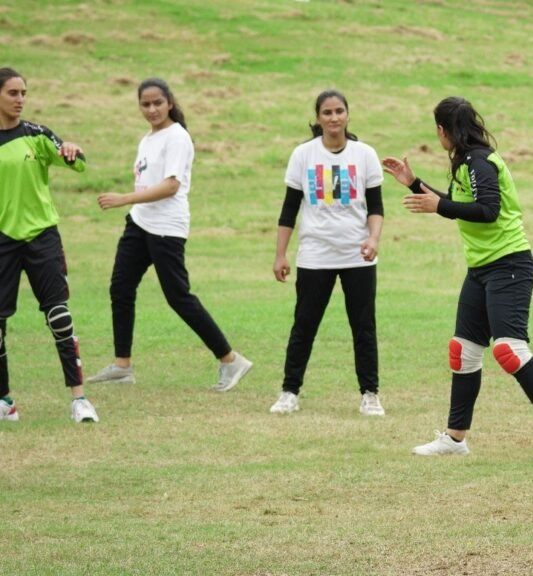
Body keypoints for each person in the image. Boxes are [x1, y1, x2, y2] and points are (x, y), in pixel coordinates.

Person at [382, 96, 533, 463]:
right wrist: (414, 183)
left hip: (509, 265)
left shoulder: (479, 161)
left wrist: (439, 206)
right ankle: (455, 438)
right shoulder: (467, 161)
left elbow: (488, 211)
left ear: (442, 130)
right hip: (481, 269)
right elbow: (460, 205)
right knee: (463, 351)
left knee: (509, 350)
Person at [87, 78, 252, 392]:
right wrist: (133, 207)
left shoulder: (177, 137)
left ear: (170, 103)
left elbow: (171, 186)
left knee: (178, 297)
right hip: (139, 223)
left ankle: (231, 360)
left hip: (166, 228)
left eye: (157, 103)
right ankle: (122, 365)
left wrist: (124, 198)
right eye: (145, 104)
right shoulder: (148, 138)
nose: (152, 109)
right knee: (120, 288)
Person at [269, 90, 385, 416]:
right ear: (318, 118)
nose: (334, 118)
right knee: (304, 325)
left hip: (357, 255)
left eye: (339, 111)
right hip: (315, 254)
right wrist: (280, 254)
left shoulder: (365, 155)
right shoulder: (303, 155)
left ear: (348, 115)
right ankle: (289, 392)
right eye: (327, 112)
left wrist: (373, 239)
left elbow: (376, 208)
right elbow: (289, 210)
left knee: (363, 327)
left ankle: (370, 394)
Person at [0, 67, 98, 423]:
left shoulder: (36, 134)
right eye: (13, 93)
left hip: (42, 238)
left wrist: (72, 149)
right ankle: (5, 402)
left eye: (24, 93)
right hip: (3, 242)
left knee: (59, 317)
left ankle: (80, 400)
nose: (20, 99)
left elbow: (78, 163)